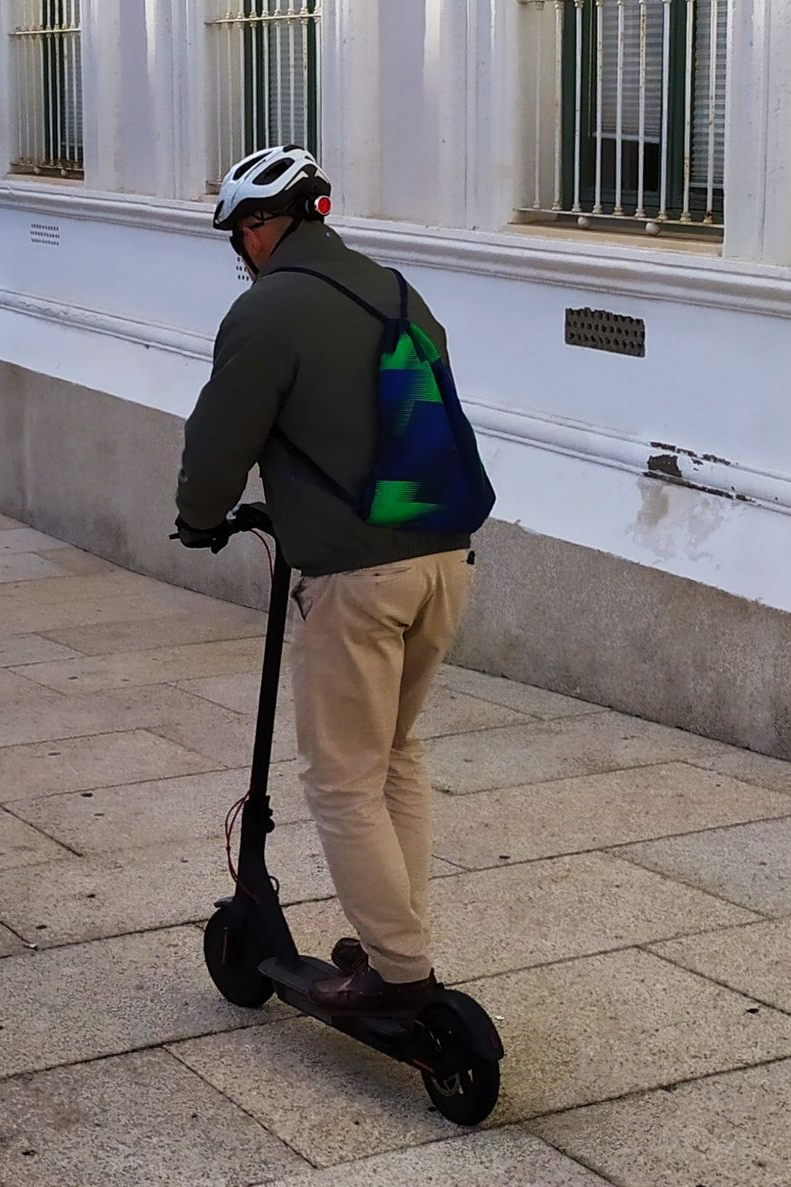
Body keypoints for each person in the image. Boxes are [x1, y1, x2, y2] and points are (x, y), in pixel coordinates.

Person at [175, 146, 478, 1015]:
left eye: (241, 234)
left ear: (264, 225)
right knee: (393, 755)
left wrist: (200, 518)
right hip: (445, 558)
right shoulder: (392, 288)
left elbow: (220, 437)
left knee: (342, 777)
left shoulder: (270, 310)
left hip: (357, 576)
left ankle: (400, 970)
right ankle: (397, 931)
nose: (242, 251)